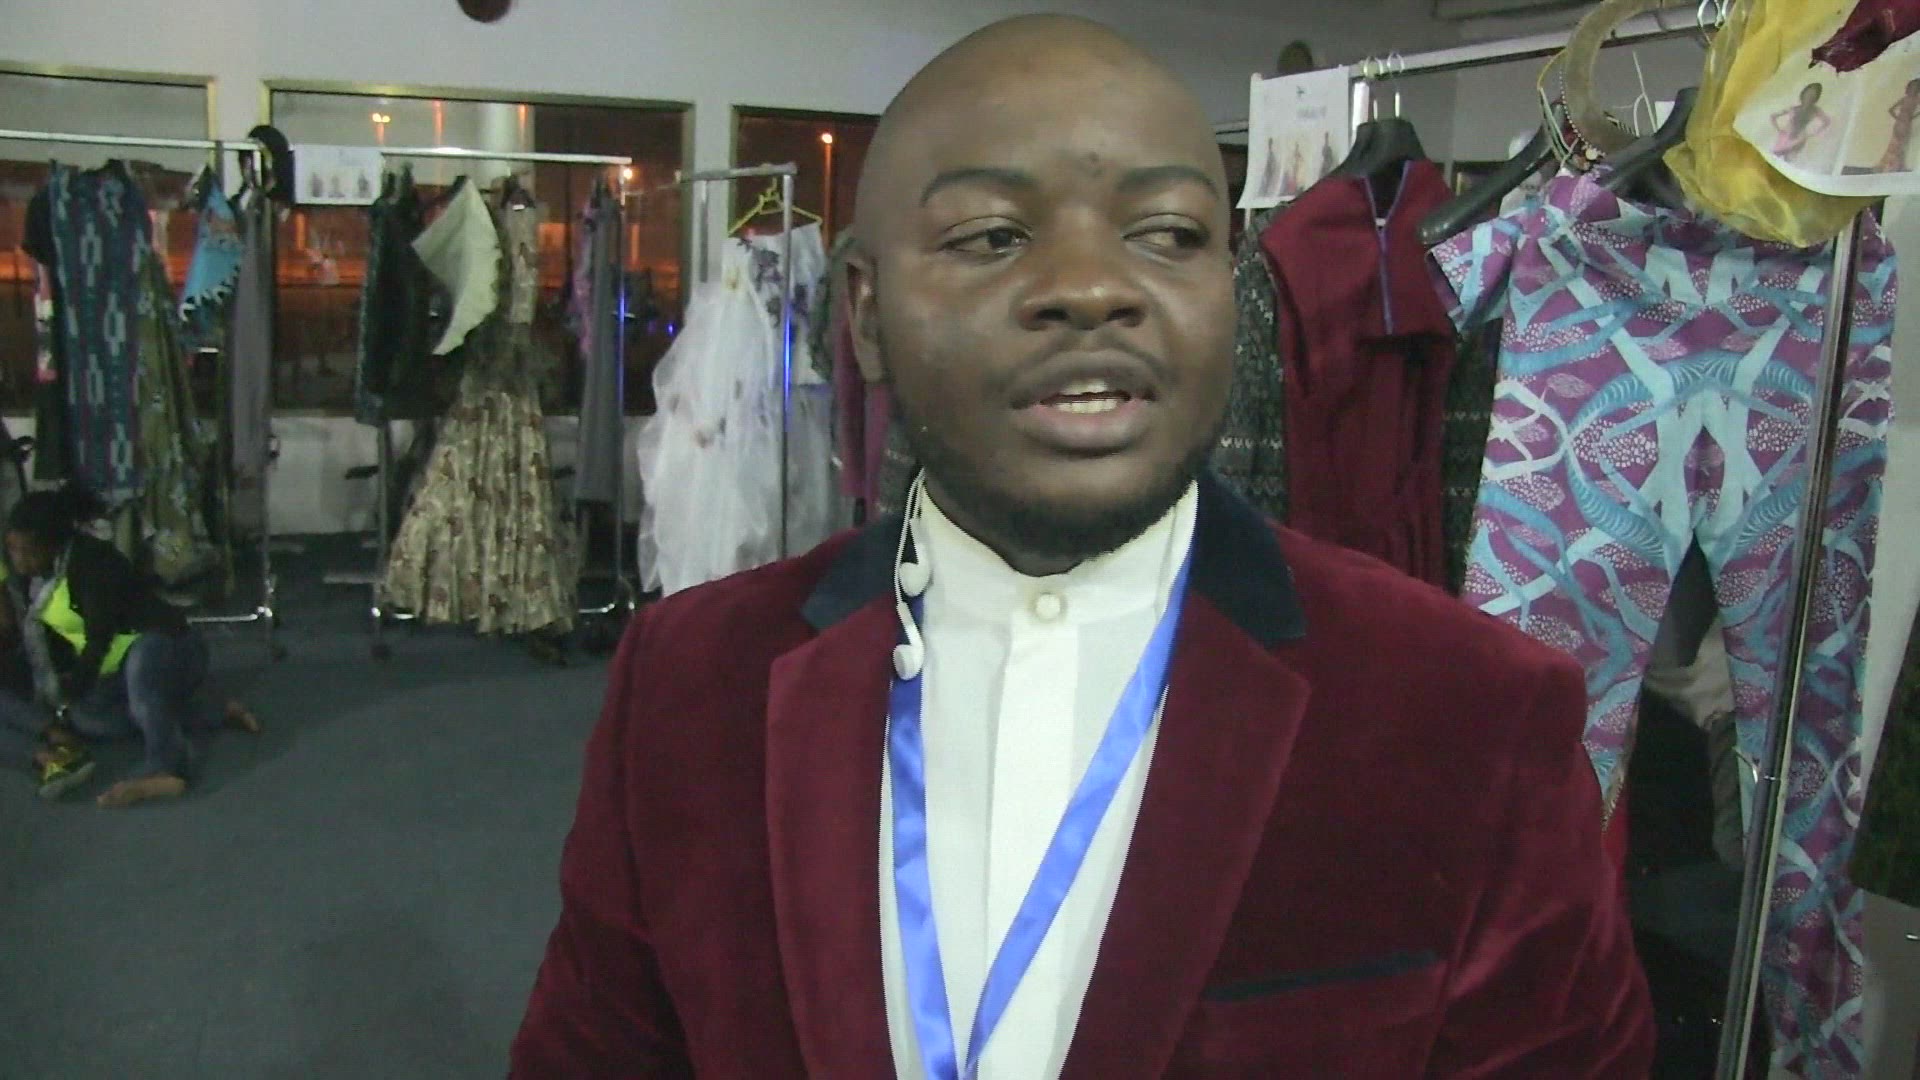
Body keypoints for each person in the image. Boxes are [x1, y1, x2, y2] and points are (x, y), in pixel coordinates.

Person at [512, 15, 1653, 1078]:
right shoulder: (691, 682)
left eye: (1167, 235)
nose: (1092, 288)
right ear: (863, 313)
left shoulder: (1468, 710)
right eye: (992, 236)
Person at [0, 487, 257, 807]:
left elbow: (99, 637)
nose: (19, 561)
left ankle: (167, 769)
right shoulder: (38, 578)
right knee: (89, 721)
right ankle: (211, 711)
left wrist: (75, 686)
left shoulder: (92, 561)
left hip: (168, 645)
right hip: (114, 666)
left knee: (142, 681)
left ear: (53, 544)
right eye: (13, 549)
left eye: (28, 552)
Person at [1771, 82, 1834, 163]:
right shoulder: (1794, 107)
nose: (1809, 97)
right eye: (1808, 94)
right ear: (1803, 94)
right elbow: (1773, 116)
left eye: (1813, 95)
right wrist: (1779, 130)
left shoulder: (1815, 110)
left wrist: (1814, 133)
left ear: (1815, 98)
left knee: (1789, 160)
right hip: (1785, 137)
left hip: (1799, 139)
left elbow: (1827, 121)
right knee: (1775, 159)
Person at [1879, 78, 1920, 173]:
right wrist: (1898, 118)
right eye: (1912, 87)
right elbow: (1891, 109)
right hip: (1901, 122)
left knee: (1901, 143)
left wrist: (1912, 117)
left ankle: (1897, 166)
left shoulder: (1916, 99)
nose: (1913, 90)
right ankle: (1891, 166)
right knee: (1897, 143)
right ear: (1908, 88)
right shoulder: (1905, 99)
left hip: (1906, 122)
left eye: (1915, 88)